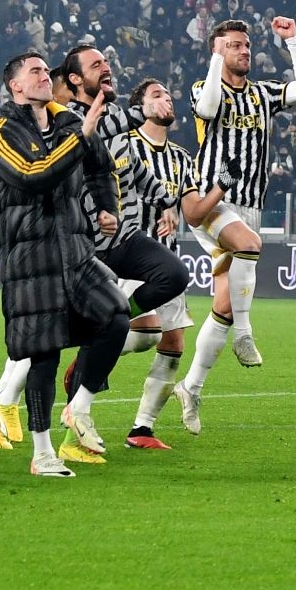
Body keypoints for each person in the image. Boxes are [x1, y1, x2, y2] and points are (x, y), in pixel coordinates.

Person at [0, 51, 129, 478]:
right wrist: (81, 136)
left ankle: (79, 405)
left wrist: (106, 207)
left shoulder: (67, 122)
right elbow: (34, 175)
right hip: (31, 258)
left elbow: (101, 167)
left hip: (75, 250)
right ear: (15, 85)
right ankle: (42, 452)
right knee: (42, 354)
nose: (45, 76)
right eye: (35, 71)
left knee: (117, 316)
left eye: (47, 70)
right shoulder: (3, 131)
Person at [175, 17, 296, 433]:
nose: (244, 51)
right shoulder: (206, 87)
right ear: (218, 51)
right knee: (250, 244)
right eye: (234, 45)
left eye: (246, 45)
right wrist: (216, 62)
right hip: (212, 199)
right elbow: (206, 109)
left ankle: (191, 387)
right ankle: (245, 330)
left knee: (221, 304)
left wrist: (292, 41)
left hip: (250, 205)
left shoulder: (262, 94)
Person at [56, 44, 192, 457]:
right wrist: (142, 110)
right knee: (41, 345)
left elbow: (134, 171)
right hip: (84, 245)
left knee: (173, 277)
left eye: (106, 62)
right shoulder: (69, 120)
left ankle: (106, 413)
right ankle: (8, 408)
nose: (106, 67)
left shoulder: (131, 142)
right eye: (96, 64)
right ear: (76, 79)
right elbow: (86, 148)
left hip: (125, 238)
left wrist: (167, 202)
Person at [114, 79, 207, 449]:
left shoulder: (182, 158)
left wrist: (220, 189)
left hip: (166, 261)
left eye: (169, 94)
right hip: (128, 258)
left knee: (174, 342)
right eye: (157, 95)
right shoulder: (125, 146)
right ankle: (92, 347)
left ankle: (142, 429)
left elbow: (194, 214)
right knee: (145, 333)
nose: (167, 99)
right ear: (141, 107)